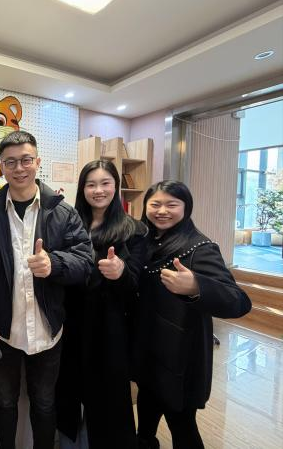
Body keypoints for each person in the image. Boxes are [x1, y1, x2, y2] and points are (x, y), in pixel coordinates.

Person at [0, 131, 93, 449]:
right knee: (5, 400)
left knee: (45, 403)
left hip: (48, 331)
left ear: (37, 162)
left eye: (26, 160)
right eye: (10, 162)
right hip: (2, 333)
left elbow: (85, 261)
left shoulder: (63, 213)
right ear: (1, 167)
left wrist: (54, 264)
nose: (19, 168)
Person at [134, 180, 252, 449]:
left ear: (186, 208)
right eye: (155, 204)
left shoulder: (199, 247)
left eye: (172, 205)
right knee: (146, 420)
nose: (162, 211)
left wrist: (198, 286)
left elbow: (239, 301)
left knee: (182, 425)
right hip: (149, 350)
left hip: (179, 358)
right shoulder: (145, 241)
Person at [56, 160, 148, 449]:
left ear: (115, 186)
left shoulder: (134, 230)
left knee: (109, 400)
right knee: (70, 394)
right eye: (91, 184)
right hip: (71, 324)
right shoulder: (69, 225)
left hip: (110, 328)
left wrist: (121, 273)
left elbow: (137, 285)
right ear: (82, 189)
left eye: (105, 183)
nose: (98, 190)